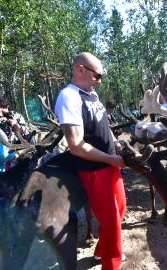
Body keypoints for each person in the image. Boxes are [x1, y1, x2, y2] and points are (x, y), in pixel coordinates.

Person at [54, 52, 126, 270]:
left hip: (111, 164)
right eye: (98, 76)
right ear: (80, 70)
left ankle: (99, 252)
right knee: (111, 221)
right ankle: (111, 265)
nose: (100, 81)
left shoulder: (91, 95)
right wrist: (111, 159)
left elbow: (103, 126)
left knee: (120, 210)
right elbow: (75, 145)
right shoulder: (68, 97)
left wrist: (116, 144)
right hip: (94, 170)